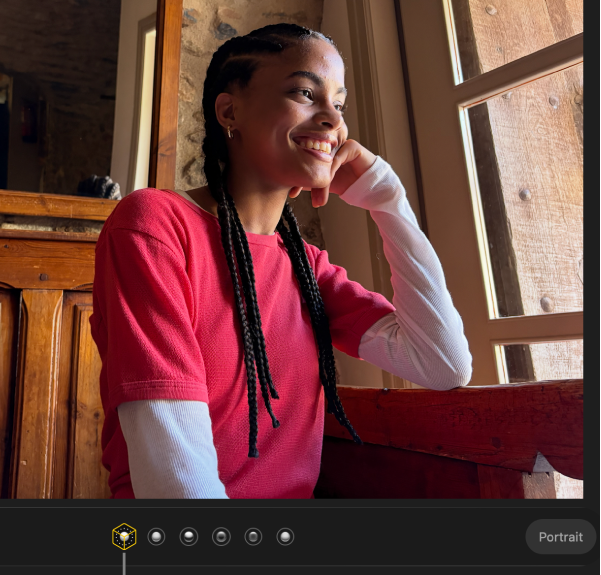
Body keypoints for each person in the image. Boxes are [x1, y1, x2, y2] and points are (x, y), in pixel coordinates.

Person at [89, 23, 472, 499]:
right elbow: (176, 484)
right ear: (230, 111)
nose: (332, 120)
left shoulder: (307, 268)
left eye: (339, 104)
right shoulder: (154, 225)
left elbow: (443, 363)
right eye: (305, 93)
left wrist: (389, 200)